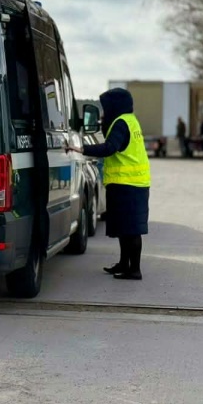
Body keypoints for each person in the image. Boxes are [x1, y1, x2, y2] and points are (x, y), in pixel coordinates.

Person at [69, 88, 150, 280]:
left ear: (115, 107)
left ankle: (134, 269)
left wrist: (81, 148)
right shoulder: (130, 120)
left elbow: (109, 148)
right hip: (130, 183)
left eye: (105, 108)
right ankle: (124, 264)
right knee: (125, 228)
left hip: (128, 184)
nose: (103, 114)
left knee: (131, 230)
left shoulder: (121, 124)